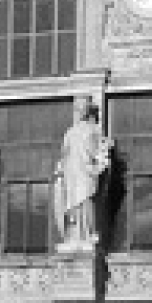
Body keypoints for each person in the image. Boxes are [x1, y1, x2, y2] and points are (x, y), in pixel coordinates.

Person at [55, 103, 112, 251]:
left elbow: (63, 156)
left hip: (73, 176)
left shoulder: (70, 132)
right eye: (97, 115)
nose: (98, 118)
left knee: (77, 204)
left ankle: (77, 236)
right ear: (92, 115)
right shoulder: (93, 130)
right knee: (85, 203)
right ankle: (84, 236)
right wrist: (105, 157)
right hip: (84, 174)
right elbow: (100, 153)